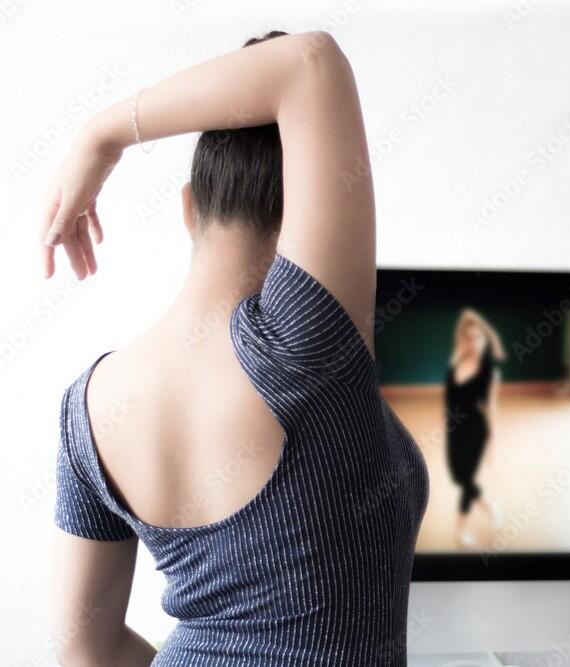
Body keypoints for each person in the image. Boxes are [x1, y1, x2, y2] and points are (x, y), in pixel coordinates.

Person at [41, 29, 428, 666]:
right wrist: (99, 135)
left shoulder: (86, 406)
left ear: (189, 209)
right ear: (316, 208)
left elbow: (85, 649)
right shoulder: (304, 344)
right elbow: (310, 61)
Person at [443, 307, 506, 547]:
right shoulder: (456, 361)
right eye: (469, 337)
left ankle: (461, 530)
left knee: (466, 481)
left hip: (475, 431)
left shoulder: (491, 372)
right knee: (458, 478)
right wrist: (469, 319)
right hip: (453, 430)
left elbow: (492, 408)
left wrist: (492, 443)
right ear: (463, 339)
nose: (474, 342)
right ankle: (491, 506)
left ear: (485, 339)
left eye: (478, 337)